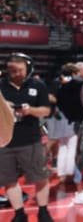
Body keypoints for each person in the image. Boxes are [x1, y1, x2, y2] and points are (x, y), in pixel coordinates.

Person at [0, 53, 54, 222]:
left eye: (20, 70)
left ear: (28, 69)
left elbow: (46, 110)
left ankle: (43, 211)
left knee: (40, 176)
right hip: (4, 141)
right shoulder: (1, 86)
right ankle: (19, 213)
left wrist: (30, 110)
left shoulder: (38, 85)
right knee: (9, 180)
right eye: (13, 70)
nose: (17, 74)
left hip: (31, 140)